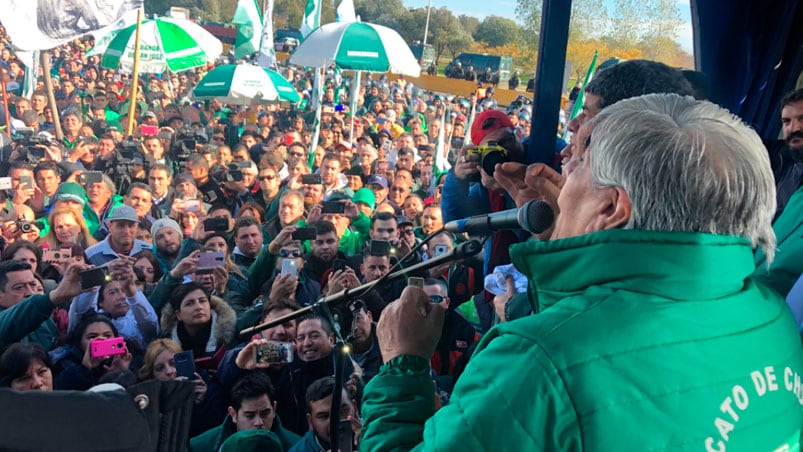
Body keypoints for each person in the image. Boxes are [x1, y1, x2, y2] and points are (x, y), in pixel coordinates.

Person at [361, 94, 803, 450]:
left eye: (577, 168)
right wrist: (569, 250)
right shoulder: (770, 314)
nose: (560, 180)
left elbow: (575, 363)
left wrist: (404, 365)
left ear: (610, 208)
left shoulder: (536, 361)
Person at [190, 372, 301, 452]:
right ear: (233, 414)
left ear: (274, 409)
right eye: (250, 415)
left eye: (265, 413)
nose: (259, 422)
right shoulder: (199, 446)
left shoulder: (298, 447)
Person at [138, 338, 226, 437]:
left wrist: (201, 403)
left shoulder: (206, 385)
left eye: (173, 363)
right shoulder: (146, 401)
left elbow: (219, 430)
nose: (169, 371)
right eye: (160, 368)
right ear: (152, 375)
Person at [159, 282, 236, 366]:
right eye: (189, 304)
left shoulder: (230, 336)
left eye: (202, 301)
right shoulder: (167, 341)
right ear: (178, 315)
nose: (198, 307)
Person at [49, 314, 134, 391]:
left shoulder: (130, 356)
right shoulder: (65, 364)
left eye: (107, 336)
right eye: (92, 337)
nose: (101, 340)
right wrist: (84, 369)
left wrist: (121, 373)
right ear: (80, 342)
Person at [288, 376, 360, 452]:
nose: (334, 422)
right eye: (324, 416)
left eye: (341, 412)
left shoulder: (371, 438)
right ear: (310, 421)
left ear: (355, 408)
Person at [85, 206, 151, 266]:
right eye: (121, 225)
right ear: (110, 226)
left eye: (131, 226)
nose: (126, 231)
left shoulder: (150, 251)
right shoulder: (91, 254)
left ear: (137, 227)